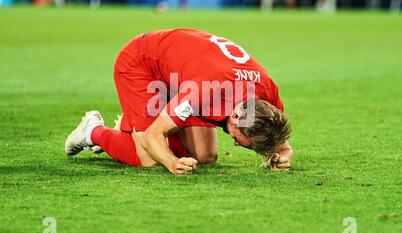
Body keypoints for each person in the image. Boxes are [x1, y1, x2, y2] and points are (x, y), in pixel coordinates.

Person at [65, 29, 293, 175]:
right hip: (143, 63)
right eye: (237, 138)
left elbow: (282, 144)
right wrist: (172, 163)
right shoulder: (202, 91)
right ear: (235, 116)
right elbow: (154, 136)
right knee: (149, 157)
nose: (234, 144)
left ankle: (131, 130)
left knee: (205, 156)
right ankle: (93, 131)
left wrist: (283, 157)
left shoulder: (267, 99)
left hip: (185, 73)